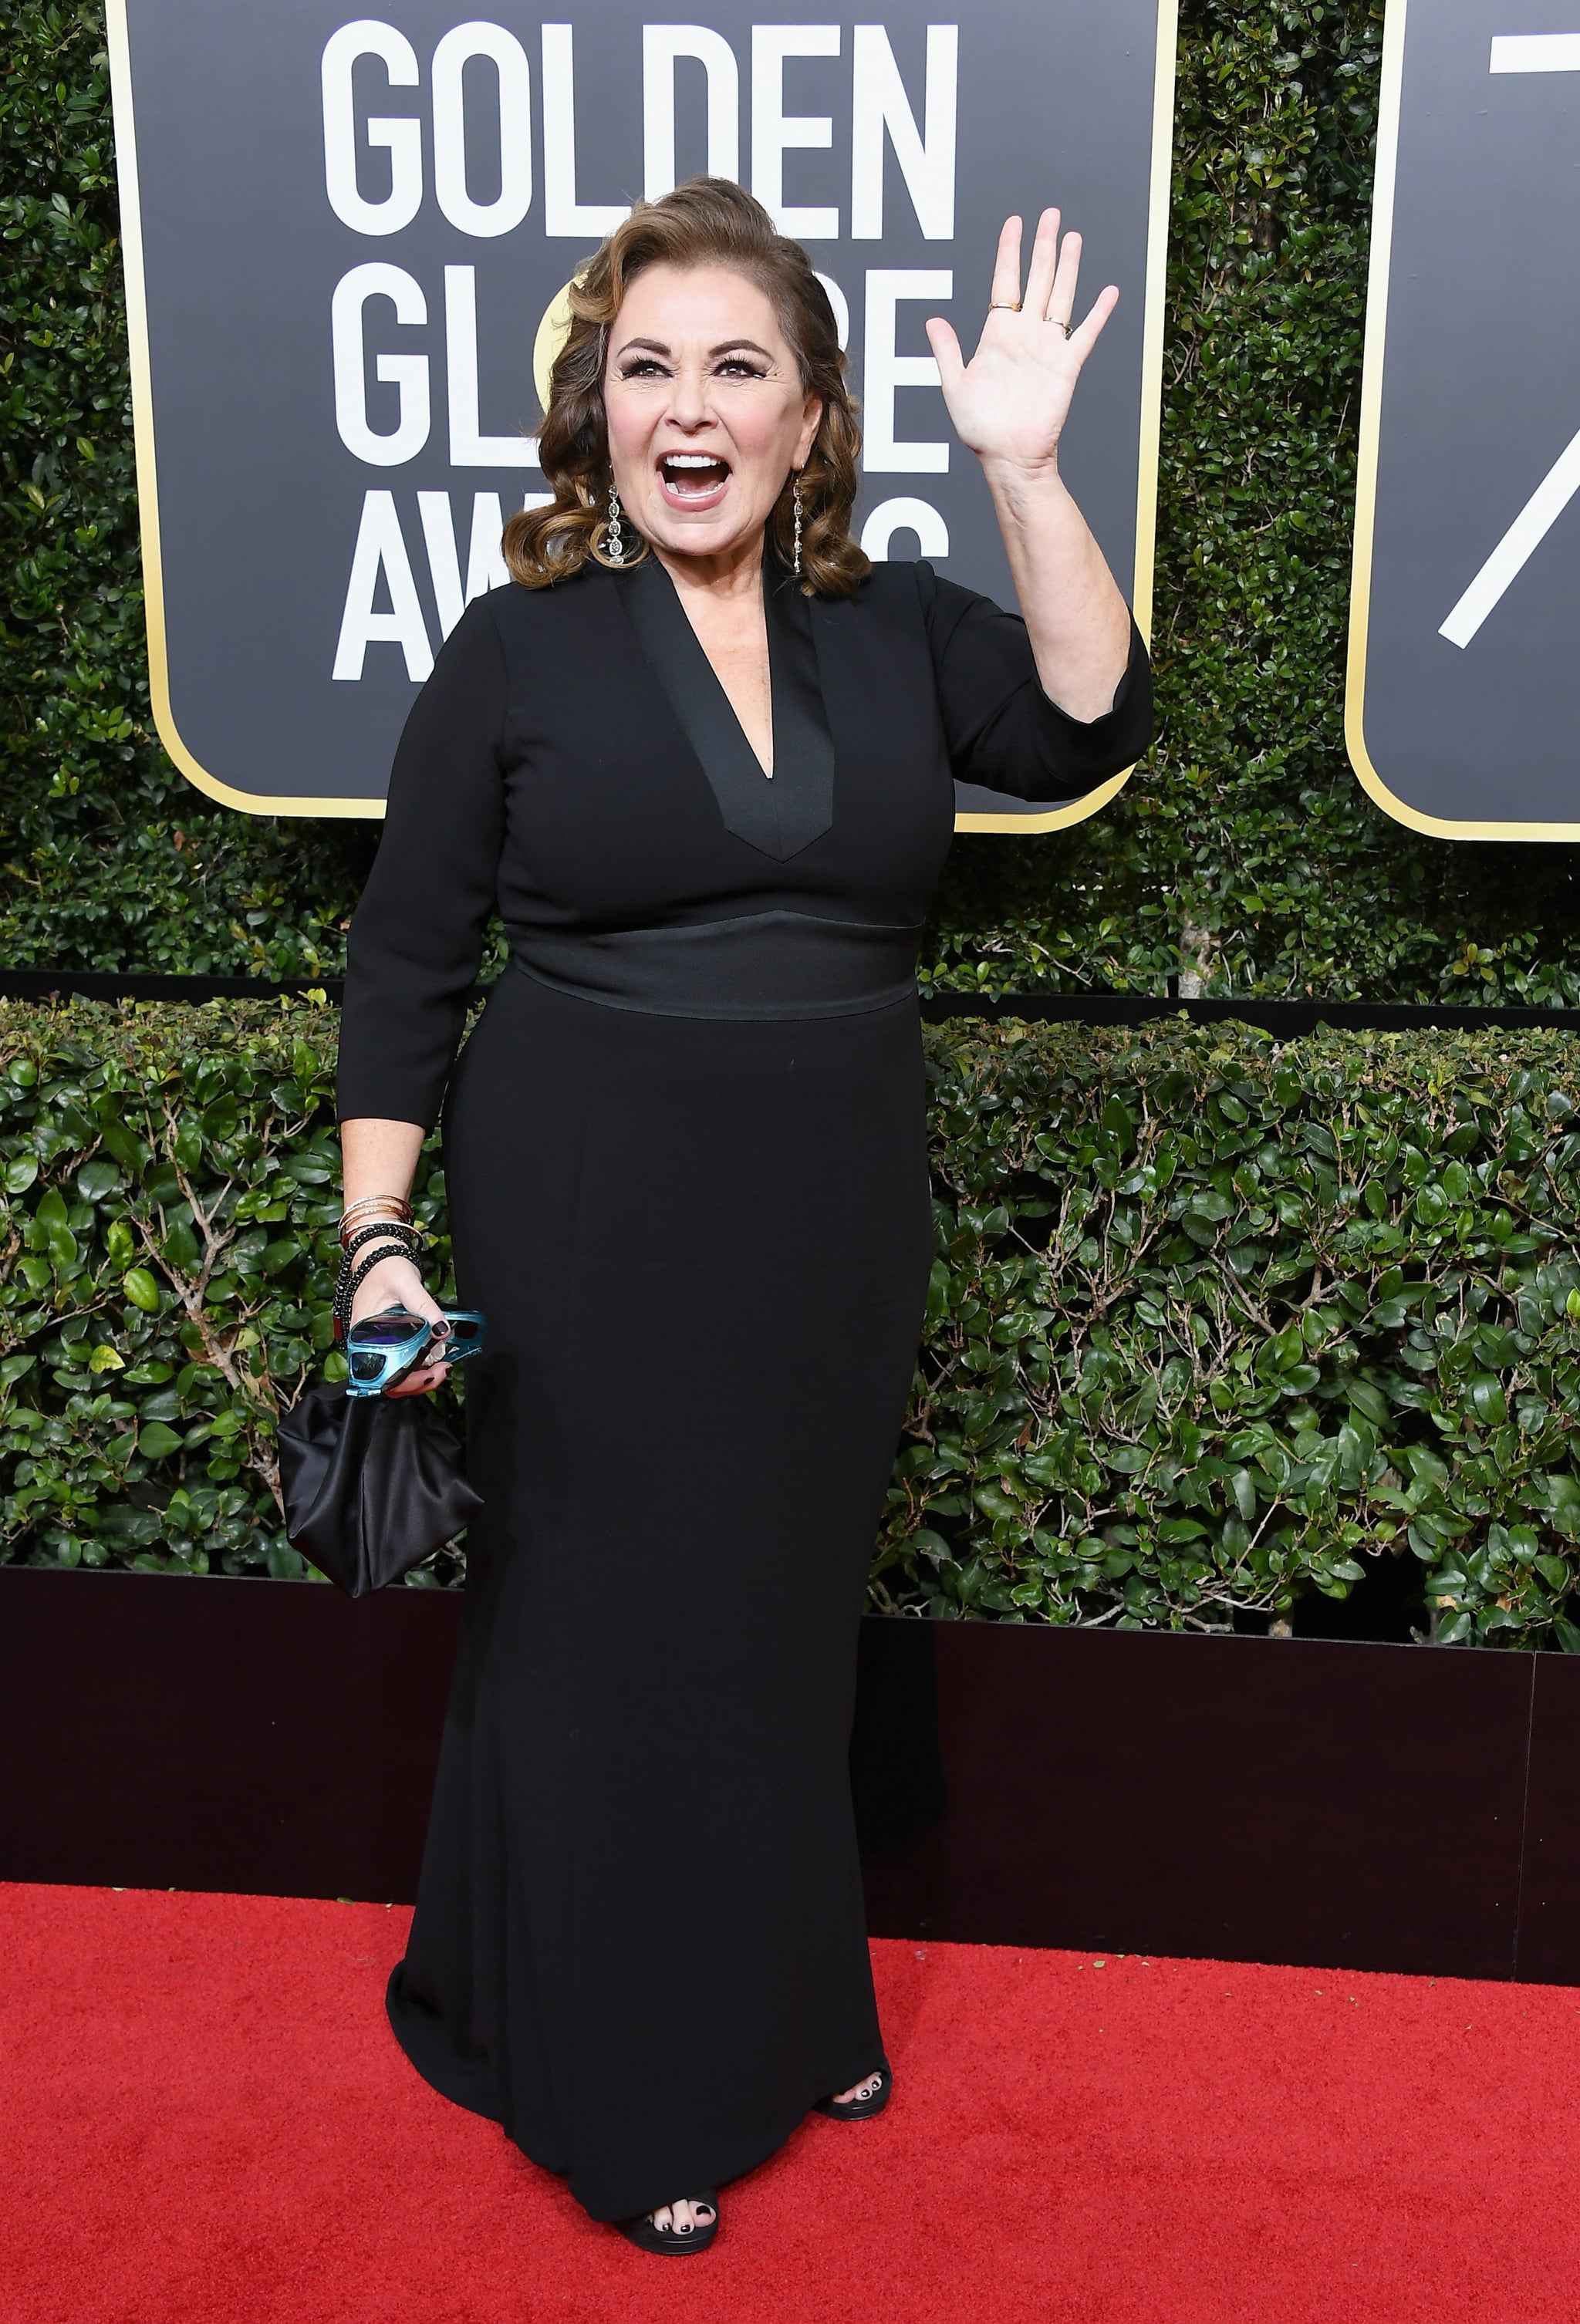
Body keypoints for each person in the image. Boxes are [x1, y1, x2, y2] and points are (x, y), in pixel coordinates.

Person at [333, 177, 1151, 2255]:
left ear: (809, 416)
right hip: (585, 1207)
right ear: (595, 414)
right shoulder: (517, 650)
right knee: (613, 1624)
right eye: (645, 370)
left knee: (783, 1621)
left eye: (736, 370)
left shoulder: (895, 629)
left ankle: (788, 2000)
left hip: (829, 1212)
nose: (686, 411)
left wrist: (1033, 471)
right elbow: (407, 968)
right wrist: (379, 1248)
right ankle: (630, 2088)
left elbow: (1086, 718)